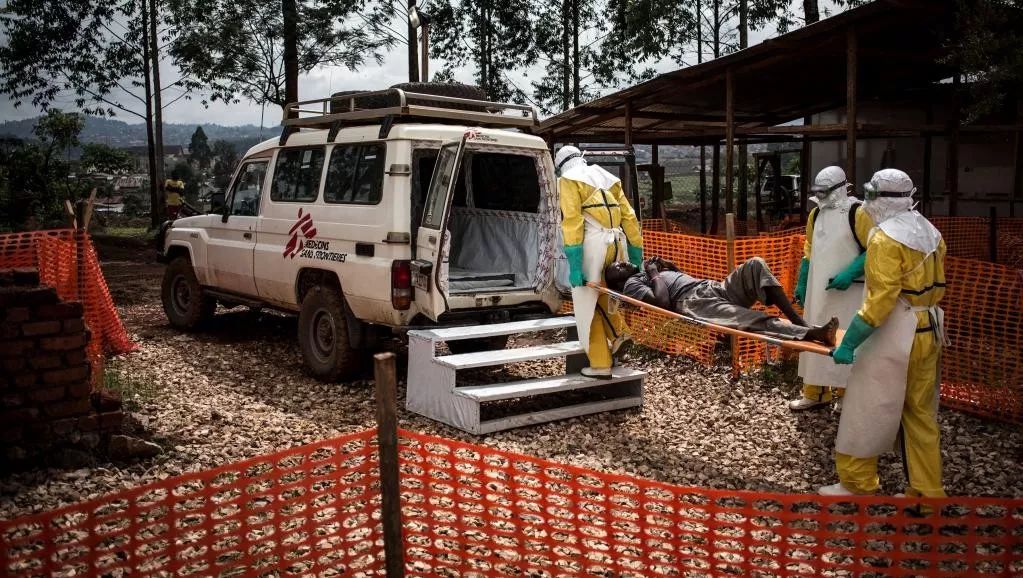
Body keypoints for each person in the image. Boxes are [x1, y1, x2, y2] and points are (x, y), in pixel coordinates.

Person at [819, 169, 947, 498]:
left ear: (883, 199)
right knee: (920, 414)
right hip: (929, 328)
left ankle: (857, 483)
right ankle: (927, 493)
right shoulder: (930, 231)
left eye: (871, 194)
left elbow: (880, 303)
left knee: (866, 406)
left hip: (895, 333)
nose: (867, 201)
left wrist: (848, 344)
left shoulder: (886, 238)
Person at [605, 257, 839, 345]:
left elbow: (678, 278)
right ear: (618, 281)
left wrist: (667, 266)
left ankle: (799, 320)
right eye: (619, 268)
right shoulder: (631, 285)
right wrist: (654, 272)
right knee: (752, 319)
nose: (623, 263)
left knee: (755, 265)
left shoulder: (644, 272)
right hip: (695, 302)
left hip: (710, 287)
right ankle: (810, 334)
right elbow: (663, 302)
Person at [790, 166, 875, 411]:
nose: (822, 195)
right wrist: (803, 280)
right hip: (819, 292)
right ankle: (815, 393)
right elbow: (809, 248)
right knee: (815, 334)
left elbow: (876, 247)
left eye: (826, 191)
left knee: (847, 338)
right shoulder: (815, 215)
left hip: (850, 294)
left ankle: (848, 395)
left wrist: (851, 272)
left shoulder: (858, 212)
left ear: (840, 188)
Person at [557, 145, 643, 378]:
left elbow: (572, 222)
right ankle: (619, 333)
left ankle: (600, 363)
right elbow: (630, 217)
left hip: (592, 245)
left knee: (586, 306)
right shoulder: (609, 177)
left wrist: (575, 265)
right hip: (617, 243)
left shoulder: (568, 179)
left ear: (561, 166)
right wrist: (636, 256)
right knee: (606, 294)